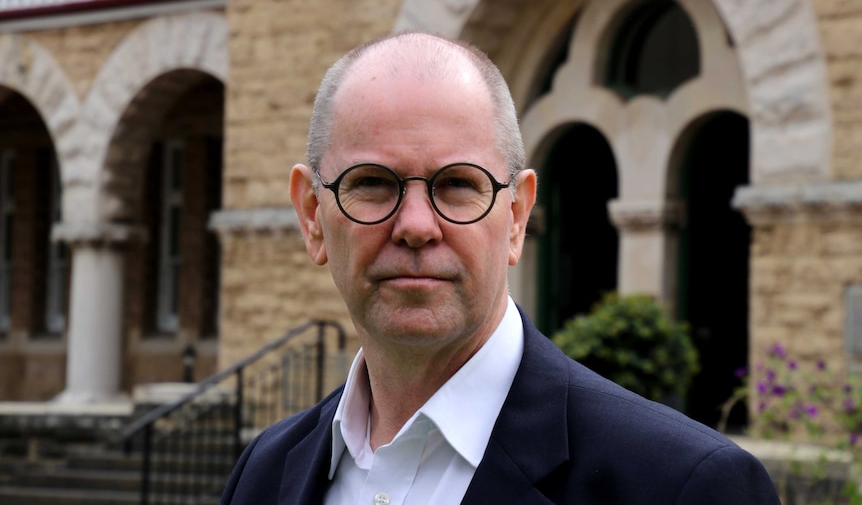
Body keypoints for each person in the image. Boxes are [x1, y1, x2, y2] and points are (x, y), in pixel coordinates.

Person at [221, 31, 780, 504]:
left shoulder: (683, 486)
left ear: (515, 217)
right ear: (313, 215)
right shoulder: (263, 475)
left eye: (458, 184)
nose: (416, 225)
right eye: (371, 183)